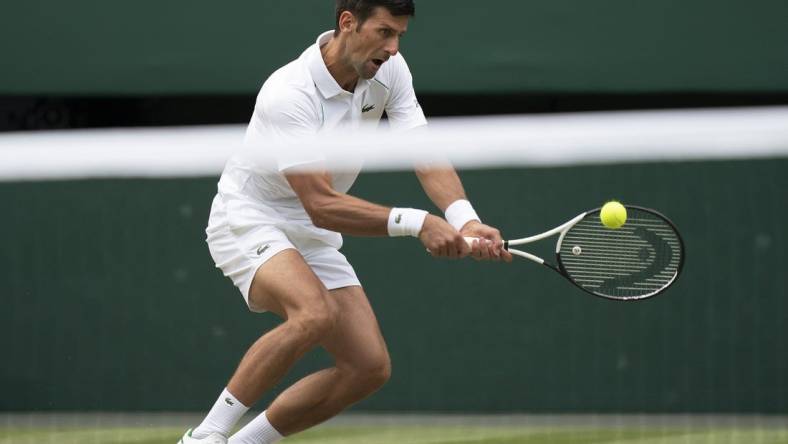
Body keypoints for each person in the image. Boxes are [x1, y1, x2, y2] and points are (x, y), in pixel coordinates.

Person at [180, 1, 511, 443]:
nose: (392, 48)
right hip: (250, 216)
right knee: (314, 314)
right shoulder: (289, 94)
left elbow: (424, 151)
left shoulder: (390, 71)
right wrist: (417, 223)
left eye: (399, 36)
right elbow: (320, 203)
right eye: (384, 32)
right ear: (347, 23)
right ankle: (205, 437)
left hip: (310, 228)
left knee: (368, 367)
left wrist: (465, 220)